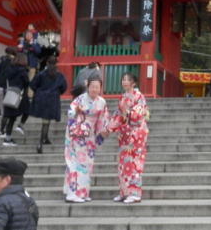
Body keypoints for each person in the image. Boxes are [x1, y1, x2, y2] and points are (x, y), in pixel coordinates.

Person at [64, 76, 110, 203]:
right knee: (74, 163)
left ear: (100, 88)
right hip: (76, 134)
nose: (94, 89)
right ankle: (72, 193)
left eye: (97, 87)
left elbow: (103, 119)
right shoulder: (80, 99)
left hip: (89, 135)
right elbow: (70, 111)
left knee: (87, 164)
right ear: (87, 87)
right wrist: (76, 112)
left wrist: (104, 131)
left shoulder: (101, 102)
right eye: (92, 86)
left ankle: (83, 193)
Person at [108, 72, 149, 204]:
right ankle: (124, 192)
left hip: (136, 134)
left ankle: (135, 193)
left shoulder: (139, 97)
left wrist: (127, 113)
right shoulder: (122, 97)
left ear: (134, 83)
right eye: (123, 79)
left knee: (134, 163)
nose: (125, 82)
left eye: (128, 80)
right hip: (124, 134)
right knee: (123, 164)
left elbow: (140, 114)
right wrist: (109, 127)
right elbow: (118, 114)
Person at [29, 56, 68, 154]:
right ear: (56, 64)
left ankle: (45, 139)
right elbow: (64, 87)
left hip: (41, 98)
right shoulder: (59, 75)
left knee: (45, 120)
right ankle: (40, 143)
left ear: (46, 63)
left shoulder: (41, 74)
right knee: (46, 121)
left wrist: (38, 91)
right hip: (52, 99)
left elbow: (33, 84)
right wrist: (57, 92)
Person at [1, 53, 31, 147]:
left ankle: (7, 139)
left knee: (11, 118)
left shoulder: (8, 69)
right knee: (28, 110)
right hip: (19, 94)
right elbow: (26, 82)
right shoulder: (22, 70)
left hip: (9, 94)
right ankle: (20, 125)